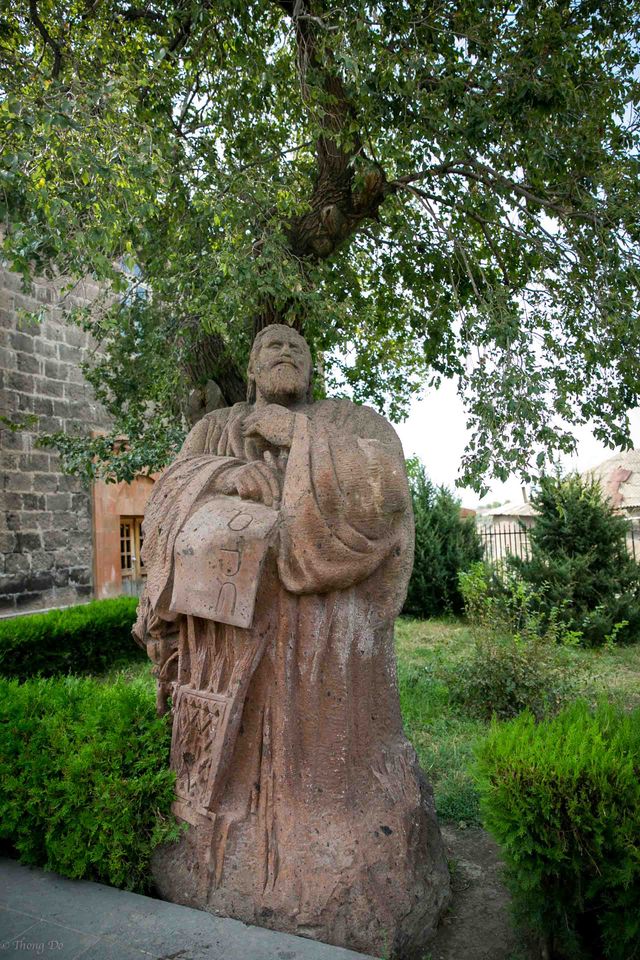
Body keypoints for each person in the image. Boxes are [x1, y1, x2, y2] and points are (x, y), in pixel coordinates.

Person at [136, 324, 449, 958]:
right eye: (271, 347)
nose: (285, 352)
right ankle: (222, 848)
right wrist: (229, 477)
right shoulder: (214, 428)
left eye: (298, 349)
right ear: (250, 369)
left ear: (313, 370)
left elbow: (386, 486)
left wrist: (297, 439)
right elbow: (170, 494)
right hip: (228, 638)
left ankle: (331, 848)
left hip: (322, 642)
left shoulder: (348, 419)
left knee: (322, 755)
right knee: (231, 752)